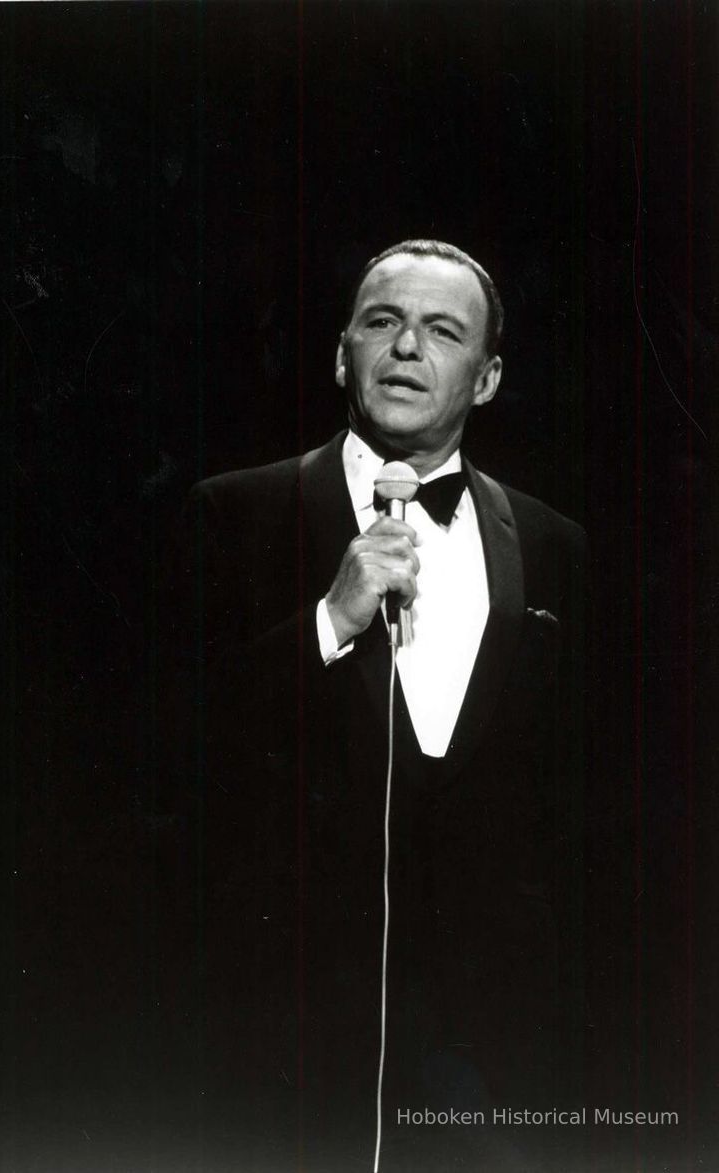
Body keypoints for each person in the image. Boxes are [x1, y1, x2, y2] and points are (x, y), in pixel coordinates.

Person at [162, 240, 586, 1171]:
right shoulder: (231, 513)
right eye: (383, 322)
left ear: (487, 378)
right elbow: (164, 758)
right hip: (285, 1039)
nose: (406, 349)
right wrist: (327, 619)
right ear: (340, 352)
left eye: (443, 331)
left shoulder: (554, 545)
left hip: (489, 1058)